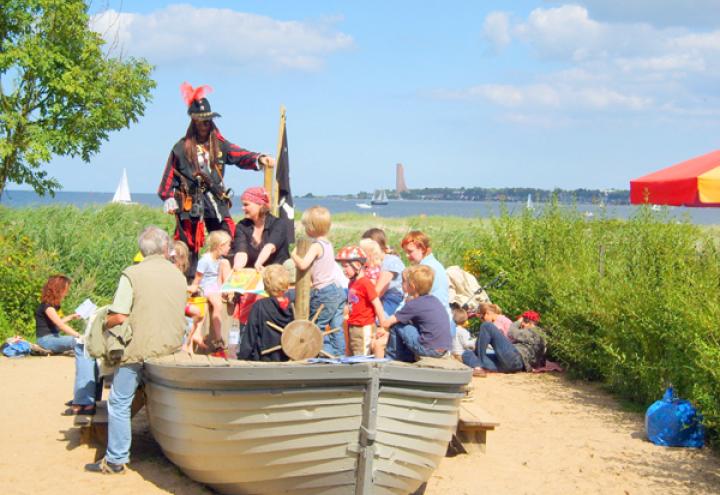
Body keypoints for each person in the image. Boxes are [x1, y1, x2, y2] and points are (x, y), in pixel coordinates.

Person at [85, 226, 186, 475]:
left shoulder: (132, 274)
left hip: (139, 350)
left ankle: (116, 459)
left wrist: (103, 321)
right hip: (172, 347)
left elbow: (119, 315)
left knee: (119, 402)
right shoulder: (178, 275)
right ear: (166, 248)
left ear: (142, 250)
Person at [157, 83, 274, 276]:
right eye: (201, 121)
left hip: (215, 200)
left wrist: (258, 158)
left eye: (207, 121)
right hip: (190, 203)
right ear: (194, 121)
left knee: (226, 240)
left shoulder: (219, 144)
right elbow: (168, 179)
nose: (205, 125)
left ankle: (228, 279)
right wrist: (169, 197)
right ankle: (188, 282)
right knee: (187, 246)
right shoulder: (180, 148)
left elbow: (239, 154)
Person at [35, 275, 97, 415]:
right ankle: (84, 399)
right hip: (47, 340)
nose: (66, 292)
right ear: (58, 289)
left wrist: (72, 316)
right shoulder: (48, 307)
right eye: (65, 289)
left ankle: (85, 397)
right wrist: (79, 336)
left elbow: (55, 324)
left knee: (84, 346)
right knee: (81, 344)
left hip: (51, 337)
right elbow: (60, 325)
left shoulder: (48, 306)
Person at [290, 206, 345, 356]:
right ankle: (339, 355)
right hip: (336, 289)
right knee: (336, 327)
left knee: (316, 327)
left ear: (311, 228)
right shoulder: (328, 244)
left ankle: (323, 354)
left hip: (324, 291)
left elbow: (303, 265)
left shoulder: (316, 246)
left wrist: (293, 254)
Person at [376, 265, 452, 362]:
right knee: (408, 325)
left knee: (397, 325)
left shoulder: (414, 304)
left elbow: (387, 323)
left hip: (428, 349)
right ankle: (408, 356)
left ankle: (393, 358)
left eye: (406, 282)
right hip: (443, 349)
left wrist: (381, 324)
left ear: (412, 286)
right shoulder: (434, 300)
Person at [237, 264, 294, 361]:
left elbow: (250, 336)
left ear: (266, 284)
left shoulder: (260, 306)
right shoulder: (293, 305)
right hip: (291, 356)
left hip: (265, 359)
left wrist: (242, 358)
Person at [335, 246, 385, 356]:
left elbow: (377, 305)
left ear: (357, 265)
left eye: (346, 266)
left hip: (364, 327)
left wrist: (383, 327)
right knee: (354, 355)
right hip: (352, 326)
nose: (344, 270)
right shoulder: (351, 283)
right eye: (342, 266)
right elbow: (352, 304)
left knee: (362, 356)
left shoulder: (365, 283)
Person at [188, 230, 232, 351]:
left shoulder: (220, 259)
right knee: (217, 305)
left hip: (214, 287)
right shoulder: (205, 260)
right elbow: (197, 279)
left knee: (211, 305)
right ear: (220, 246)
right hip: (205, 287)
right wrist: (192, 290)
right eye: (228, 245)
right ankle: (218, 339)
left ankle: (203, 335)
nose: (230, 248)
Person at [232, 187, 291, 271]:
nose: (242, 208)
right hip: (254, 272)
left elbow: (270, 247)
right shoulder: (241, 226)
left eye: (246, 205)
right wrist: (238, 265)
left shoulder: (278, 224)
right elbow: (241, 251)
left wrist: (259, 263)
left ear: (260, 205)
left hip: (277, 273)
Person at [361, 228, 405, 316]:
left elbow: (378, 291)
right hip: (377, 298)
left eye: (364, 250)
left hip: (392, 299)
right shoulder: (371, 263)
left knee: (373, 317)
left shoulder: (391, 261)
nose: (361, 253)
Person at [172, 240, 206, 354]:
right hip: (175, 304)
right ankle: (187, 342)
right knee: (197, 312)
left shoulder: (176, 271)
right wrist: (189, 288)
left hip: (179, 302)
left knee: (199, 310)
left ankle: (190, 341)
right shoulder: (174, 272)